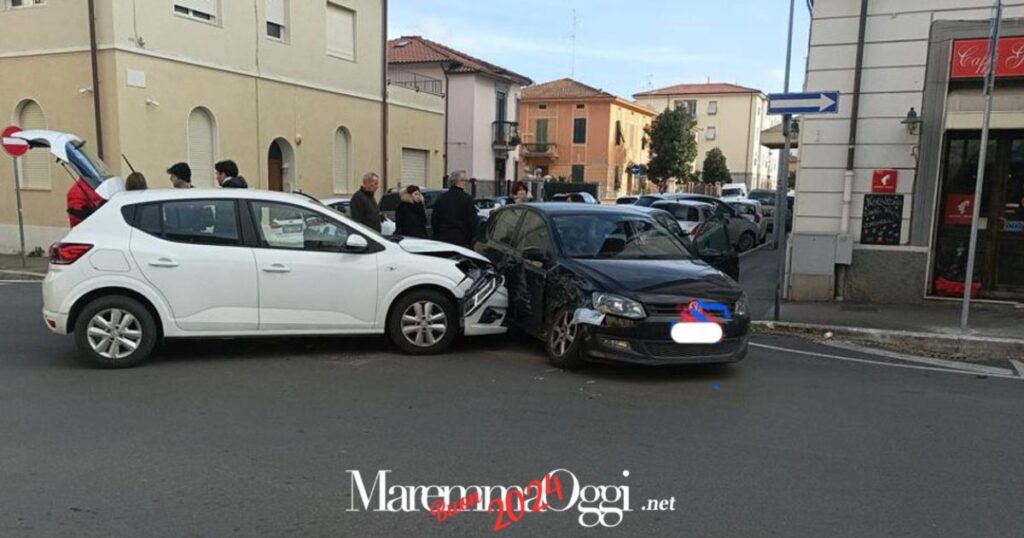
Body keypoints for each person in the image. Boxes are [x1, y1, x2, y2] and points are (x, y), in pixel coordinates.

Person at [431, 170, 478, 247]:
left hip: (443, 239)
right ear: (460, 181)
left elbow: (434, 221)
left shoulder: (441, 198)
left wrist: (437, 235)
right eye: (465, 180)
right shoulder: (466, 199)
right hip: (462, 240)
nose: (466, 183)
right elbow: (472, 221)